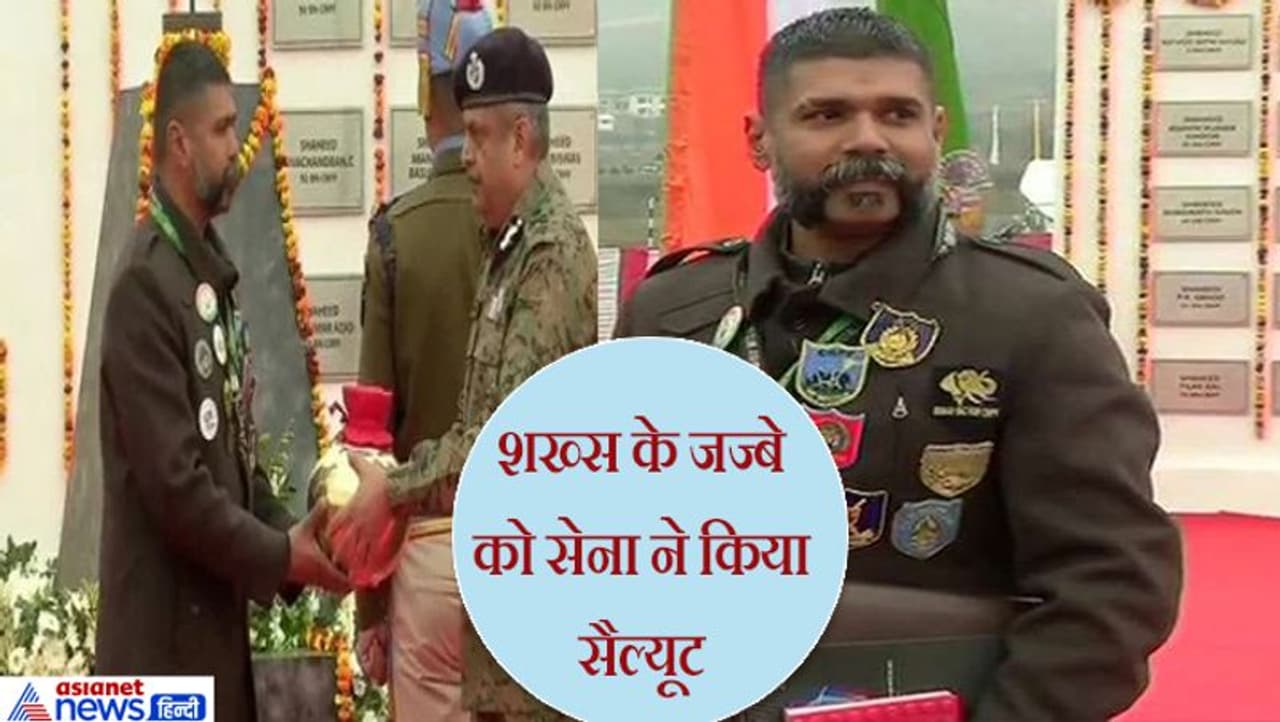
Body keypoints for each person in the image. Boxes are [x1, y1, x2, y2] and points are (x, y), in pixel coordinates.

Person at [614, 8, 1183, 722]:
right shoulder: (672, 310)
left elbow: (1110, 585)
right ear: (759, 140)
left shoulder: (1032, 315)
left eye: (898, 114)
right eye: (827, 115)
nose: (868, 139)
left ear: (936, 131)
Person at [329, 26, 597, 722]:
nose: (465, 157)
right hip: (496, 579)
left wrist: (392, 489)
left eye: (478, 137)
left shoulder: (550, 254)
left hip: (532, 590)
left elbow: (505, 440)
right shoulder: (507, 242)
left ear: (521, 139)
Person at [96, 41, 349, 722]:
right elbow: (176, 488)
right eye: (222, 129)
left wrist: (303, 535)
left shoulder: (204, 272)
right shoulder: (145, 285)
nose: (237, 148)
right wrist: (283, 556)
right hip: (159, 664)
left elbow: (232, 457)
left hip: (211, 654)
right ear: (179, 143)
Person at [351, 0, 493, 718]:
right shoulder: (545, 234)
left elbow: (371, 441)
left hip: (428, 553)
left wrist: (370, 606)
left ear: (425, 96)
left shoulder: (397, 234)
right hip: (523, 554)